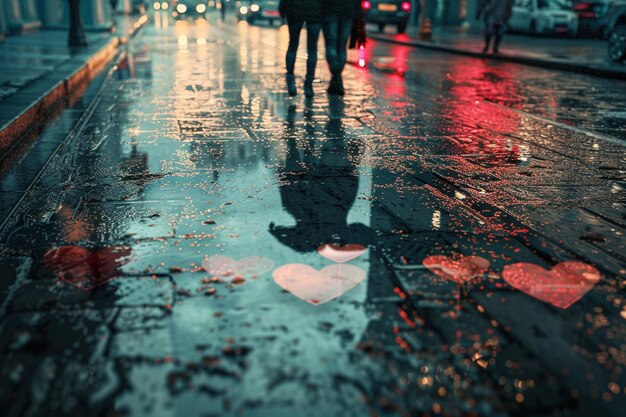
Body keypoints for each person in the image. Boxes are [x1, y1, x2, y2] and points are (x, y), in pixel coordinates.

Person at [279, 0, 325, 97]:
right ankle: (309, 83)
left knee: (292, 45)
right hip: (315, 11)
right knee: (312, 48)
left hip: (294, 10)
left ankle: (290, 78)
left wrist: (282, 9)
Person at [322, 0, 361, 95]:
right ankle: (337, 77)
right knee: (341, 46)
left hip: (330, 11)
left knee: (331, 43)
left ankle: (336, 75)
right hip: (348, 12)